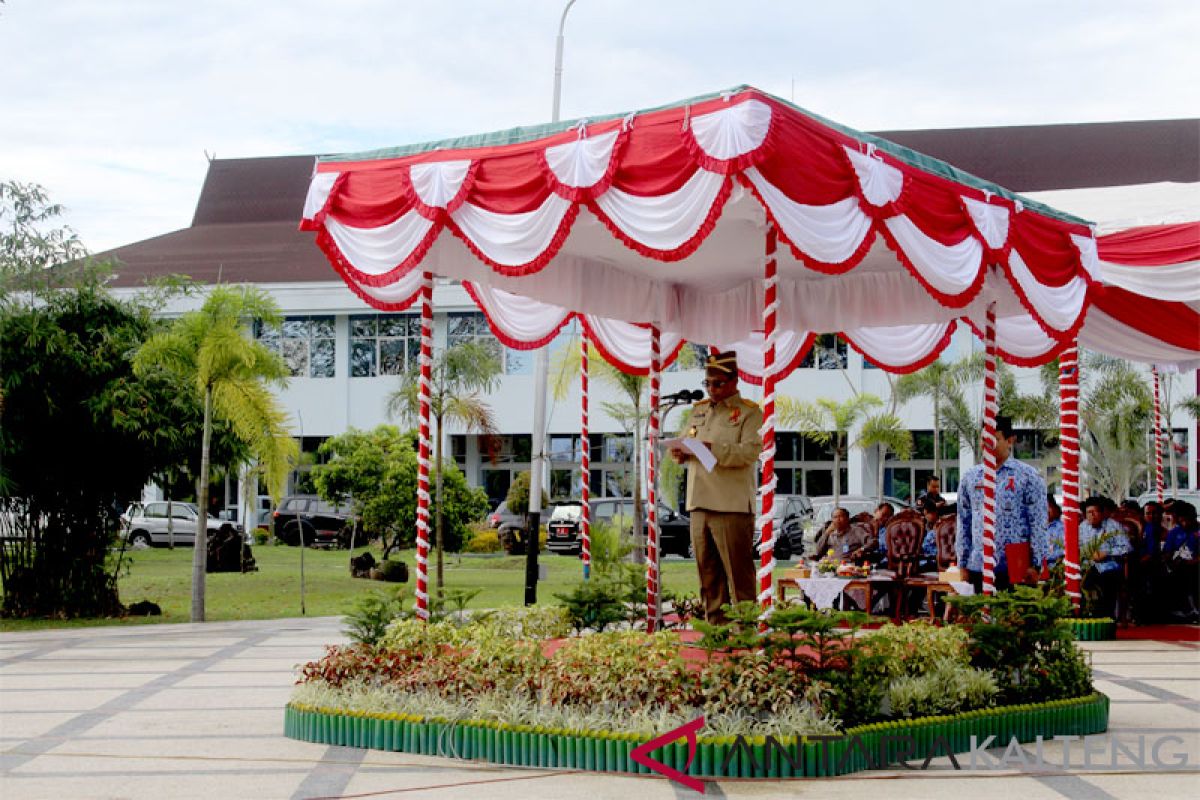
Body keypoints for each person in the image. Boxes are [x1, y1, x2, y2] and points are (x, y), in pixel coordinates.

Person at [669, 350, 763, 623]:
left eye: (718, 383)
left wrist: (713, 448)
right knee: (708, 574)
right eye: (707, 383)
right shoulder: (698, 411)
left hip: (731, 505)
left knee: (738, 576)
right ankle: (717, 632)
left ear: (734, 380)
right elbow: (690, 442)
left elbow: (749, 453)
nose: (712, 389)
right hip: (699, 503)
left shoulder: (749, 413)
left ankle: (746, 633)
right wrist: (681, 452)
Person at [956, 415, 1049, 592]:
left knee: (1015, 618)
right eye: (984, 439)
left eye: (995, 439)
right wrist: (963, 562)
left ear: (1009, 441)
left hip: (1017, 565)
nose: (988, 444)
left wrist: (1037, 564)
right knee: (981, 616)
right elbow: (964, 521)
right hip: (979, 564)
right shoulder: (971, 477)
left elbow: (1038, 522)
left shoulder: (1028, 476)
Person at [1079, 495, 1131, 619]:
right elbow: (1074, 546)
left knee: (1106, 581)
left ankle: (1106, 617)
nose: (1092, 515)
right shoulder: (1082, 527)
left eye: (1094, 512)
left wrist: (1106, 553)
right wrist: (1087, 553)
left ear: (1102, 513)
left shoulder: (1113, 526)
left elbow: (1127, 548)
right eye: (1088, 513)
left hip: (1109, 567)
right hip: (1087, 565)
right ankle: (1087, 616)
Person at [1159, 500, 1199, 623]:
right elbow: (1167, 552)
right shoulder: (1174, 532)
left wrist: (1193, 561)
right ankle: (1181, 611)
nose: (1185, 523)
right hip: (1179, 567)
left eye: (1187, 520)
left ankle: (1194, 610)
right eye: (1181, 520)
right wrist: (1169, 560)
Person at [1045, 496, 1064, 564]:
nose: (1046, 510)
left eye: (1048, 506)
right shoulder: (1036, 528)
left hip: (1054, 568)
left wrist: (1047, 556)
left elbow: (1065, 550)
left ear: (1054, 508)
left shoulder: (1061, 528)